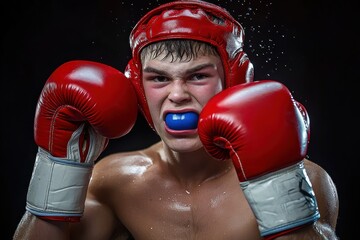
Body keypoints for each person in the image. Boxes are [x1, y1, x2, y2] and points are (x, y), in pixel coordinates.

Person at [13, 0, 339, 239]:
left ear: (235, 82)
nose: (177, 94)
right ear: (139, 90)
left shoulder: (302, 180)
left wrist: (279, 189)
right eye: (159, 79)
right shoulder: (115, 182)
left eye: (197, 76)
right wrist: (58, 168)